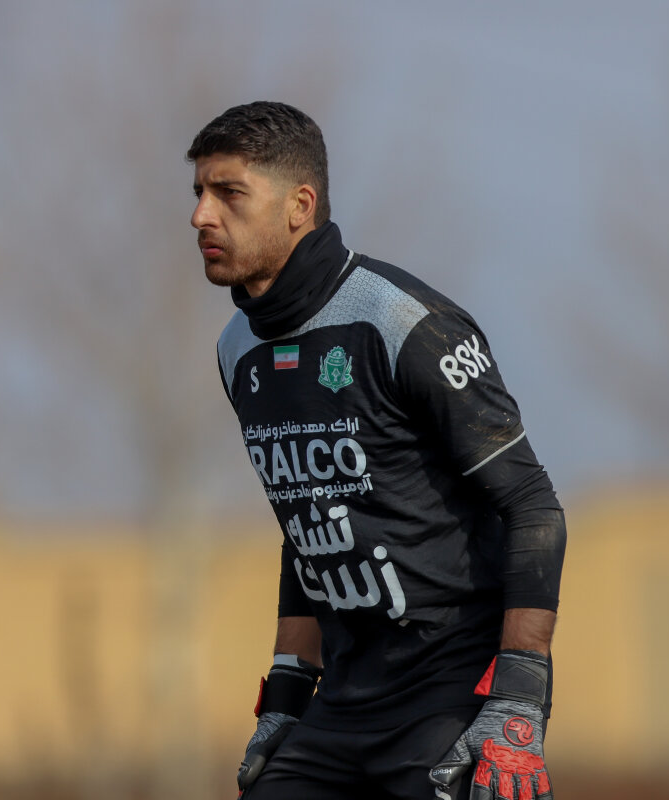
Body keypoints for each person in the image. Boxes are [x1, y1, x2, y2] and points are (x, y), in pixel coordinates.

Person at [188, 101, 566, 800]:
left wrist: (519, 698)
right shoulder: (237, 349)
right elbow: (308, 528)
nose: (201, 216)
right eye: (199, 193)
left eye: (228, 192)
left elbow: (533, 507)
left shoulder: (406, 322)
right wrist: (285, 697)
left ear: (300, 205)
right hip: (340, 706)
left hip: (449, 698)